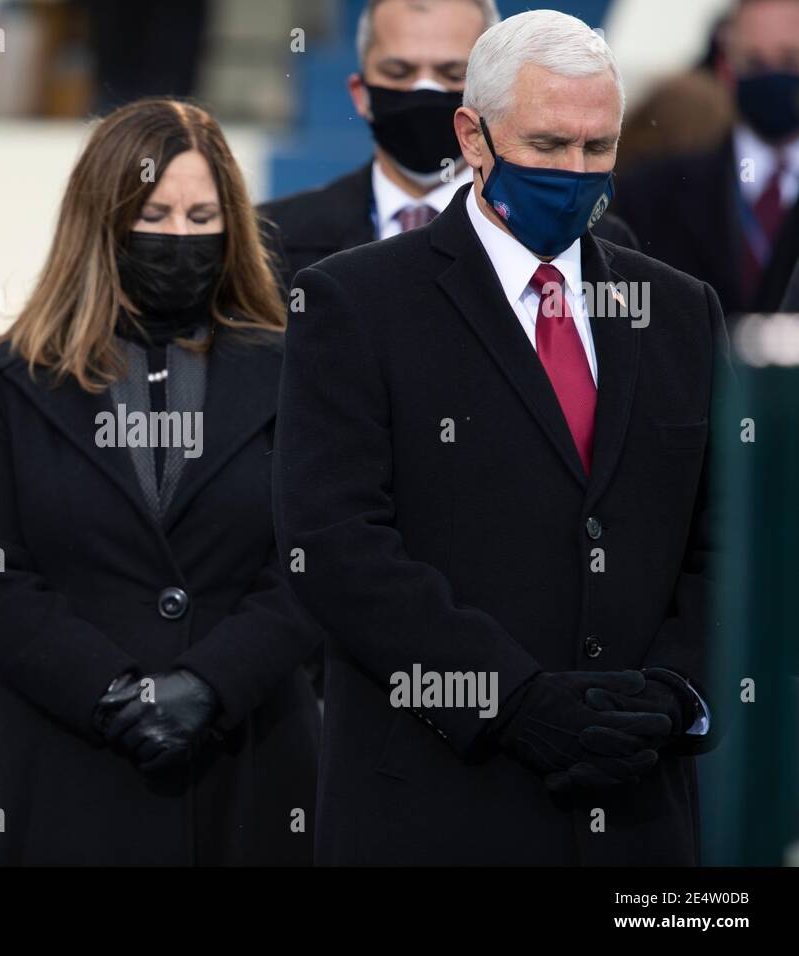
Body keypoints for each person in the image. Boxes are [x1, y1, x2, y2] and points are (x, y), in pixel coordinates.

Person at [276, 10, 727, 865]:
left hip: (637, 818)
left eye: (599, 149)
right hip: (436, 806)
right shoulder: (355, 303)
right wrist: (512, 700)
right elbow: (334, 547)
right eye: (550, 145)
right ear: (472, 136)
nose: (576, 171)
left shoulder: (679, 310)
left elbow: (728, 543)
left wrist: (673, 693)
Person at [0, 98, 322, 865]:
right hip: (57, 761)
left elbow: (315, 561)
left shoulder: (299, 373)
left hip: (249, 760)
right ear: (104, 219)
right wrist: (111, 693)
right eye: (154, 213)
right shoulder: (6, 377)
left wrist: (210, 685)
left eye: (201, 215)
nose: (180, 238)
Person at [260, 0, 637, 294]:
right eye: (399, 72)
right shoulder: (270, 237)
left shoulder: (601, 238)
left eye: (452, 73)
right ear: (361, 94)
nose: (425, 90)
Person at [616, 0, 799, 317]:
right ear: (728, 66)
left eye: (789, 60)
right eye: (754, 63)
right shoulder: (649, 195)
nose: (772, 77)